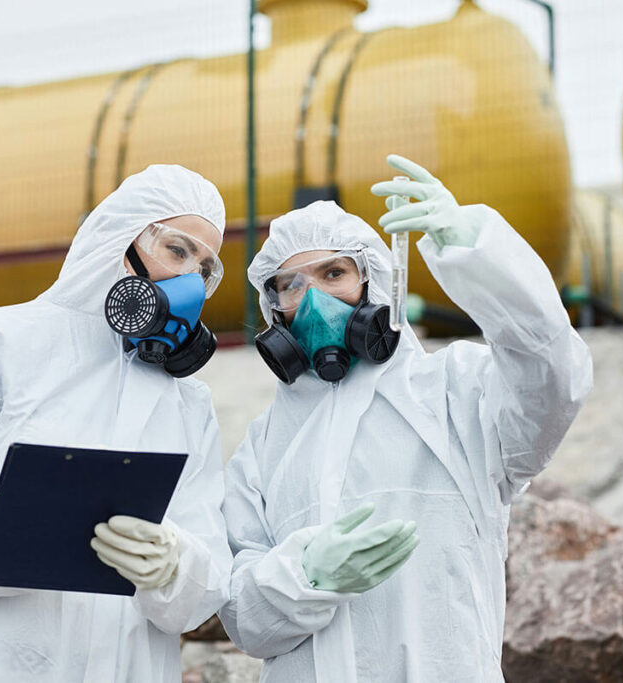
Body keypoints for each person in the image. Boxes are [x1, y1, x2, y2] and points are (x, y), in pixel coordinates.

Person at [219, 155, 593, 681]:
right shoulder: (261, 450)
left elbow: (553, 376)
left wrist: (479, 255)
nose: (313, 301)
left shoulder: (459, 392)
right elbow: (243, 621)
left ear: (376, 283)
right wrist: (303, 577)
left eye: (333, 273)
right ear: (272, 306)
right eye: (291, 285)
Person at [0, 164, 233, 682]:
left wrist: (174, 568)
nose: (189, 281)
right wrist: (36, 544)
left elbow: (206, 587)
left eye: (204, 268)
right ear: (118, 238)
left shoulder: (189, 403)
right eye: (177, 250)